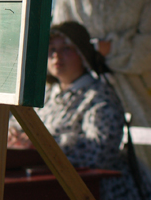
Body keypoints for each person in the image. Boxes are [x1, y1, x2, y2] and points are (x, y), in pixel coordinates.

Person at [52, 0, 151, 167]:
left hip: (138, 96)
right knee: (86, 163)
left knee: (142, 165)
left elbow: (147, 50)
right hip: (86, 98)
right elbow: (59, 39)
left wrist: (111, 48)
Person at [9, 22, 151, 200]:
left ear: (82, 54)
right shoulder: (46, 95)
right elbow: (21, 126)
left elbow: (98, 153)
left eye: (66, 48)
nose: (56, 55)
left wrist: (38, 144)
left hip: (94, 189)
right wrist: (15, 135)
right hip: (47, 183)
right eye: (52, 48)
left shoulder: (99, 97)